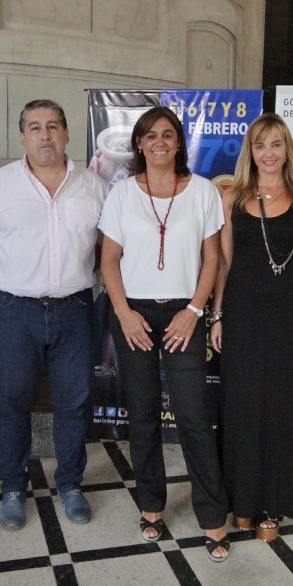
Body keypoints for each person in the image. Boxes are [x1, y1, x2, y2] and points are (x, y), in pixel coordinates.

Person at [0, 100, 108, 529]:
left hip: (75, 309)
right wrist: (11, 275)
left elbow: (107, 248)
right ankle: (12, 487)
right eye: (35, 127)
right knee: (13, 402)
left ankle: (70, 484)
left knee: (75, 401)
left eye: (53, 126)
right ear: (23, 137)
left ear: (66, 134)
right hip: (15, 310)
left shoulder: (96, 187)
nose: (44, 135)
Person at [98, 106, 230, 561]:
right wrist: (124, 312)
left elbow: (212, 259)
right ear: (138, 143)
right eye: (150, 135)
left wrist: (196, 310)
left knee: (194, 417)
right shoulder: (120, 194)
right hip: (131, 312)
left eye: (168, 135)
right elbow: (108, 260)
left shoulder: (203, 191)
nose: (159, 142)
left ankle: (212, 516)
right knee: (143, 415)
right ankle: (151, 505)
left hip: (184, 313)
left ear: (179, 144)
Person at [210, 113, 293, 541]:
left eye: (276, 144)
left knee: (282, 408)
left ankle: (272, 507)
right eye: (261, 145)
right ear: (251, 152)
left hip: (291, 318)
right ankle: (242, 501)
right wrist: (217, 315)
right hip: (241, 315)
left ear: (286, 150)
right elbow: (223, 263)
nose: (269, 153)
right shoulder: (230, 198)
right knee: (241, 408)